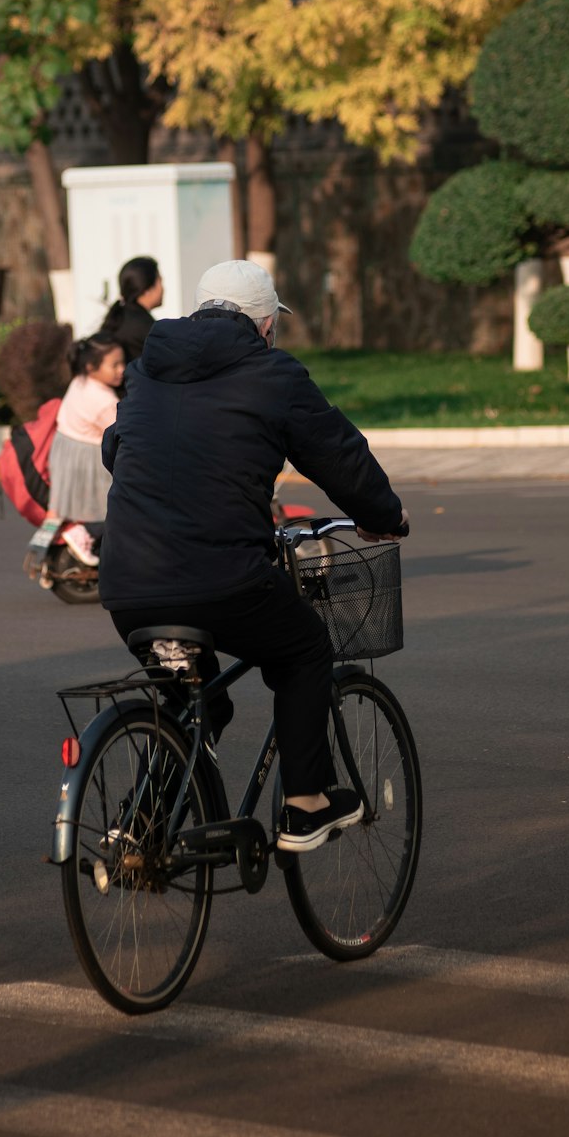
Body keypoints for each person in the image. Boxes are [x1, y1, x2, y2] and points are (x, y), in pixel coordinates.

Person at [99, 258, 409, 853]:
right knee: (304, 649)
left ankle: (141, 829)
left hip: (127, 584)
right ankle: (305, 805)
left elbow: (120, 450)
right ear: (266, 324)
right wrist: (384, 516)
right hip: (223, 583)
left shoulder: (146, 369)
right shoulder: (273, 373)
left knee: (198, 703)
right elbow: (337, 455)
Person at [46, 335, 126, 566]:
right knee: (113, 507)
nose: (121, 370)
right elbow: (121, 435)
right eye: (115, 365)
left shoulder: (80, 381)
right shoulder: (104, 401)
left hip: (66, 451)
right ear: (92, 367)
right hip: (87, 459)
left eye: (122, 362)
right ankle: (86, 532)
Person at [98, 256, 164, 367]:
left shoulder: (122, 315)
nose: (163, 288)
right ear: (147, 290)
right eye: (160, 282)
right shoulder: (145, 326)